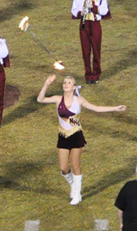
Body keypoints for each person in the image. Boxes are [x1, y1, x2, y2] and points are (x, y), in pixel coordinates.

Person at [37, 74, 126, 205]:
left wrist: (115, 108)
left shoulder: (79, 100)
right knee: (63, 168)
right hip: (63, 136)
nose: (65, 84)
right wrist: (46, 84)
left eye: (69, 83)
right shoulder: (57, 99)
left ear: (74, 87)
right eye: (64, 82)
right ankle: (73, 184)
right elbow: (40, 99)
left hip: (76, 135)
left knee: (75, 165)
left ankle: (77, 194)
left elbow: (96, 108)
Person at [71, 0, 111, 84]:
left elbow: (104, 10)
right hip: (84, 25)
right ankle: (88, 75)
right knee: (86, 51)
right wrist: (80, 13)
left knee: (96, 50)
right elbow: (74, 10)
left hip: (95, 24)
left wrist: (93, 8)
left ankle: (96, 74)